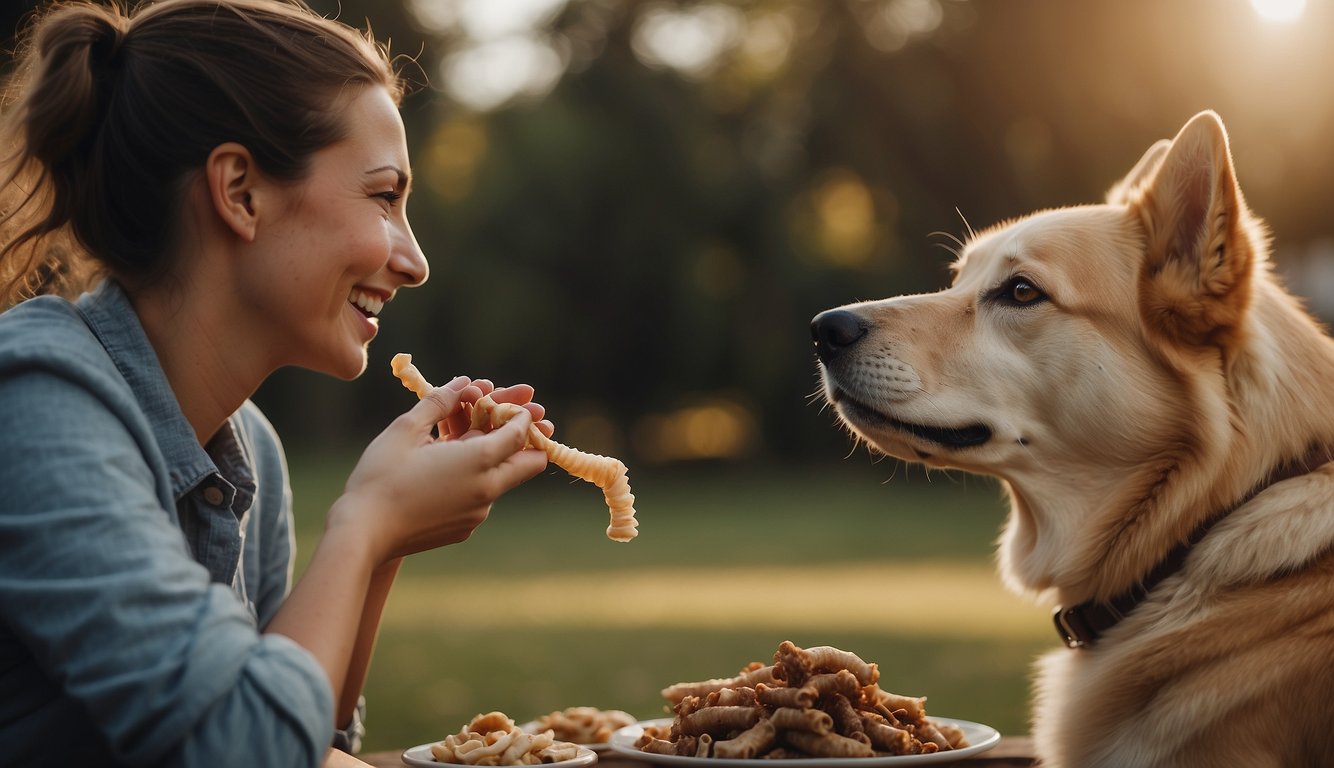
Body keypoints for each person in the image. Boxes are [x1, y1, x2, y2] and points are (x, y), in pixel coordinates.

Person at [0, 1, 553, 766]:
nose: (415, 260)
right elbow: (247, 748)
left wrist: (389, 544)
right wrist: (365, 523)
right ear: (240, 192)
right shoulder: (33, 399)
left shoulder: (249, 445)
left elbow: (309, 741)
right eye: (384, 197)